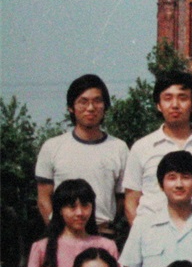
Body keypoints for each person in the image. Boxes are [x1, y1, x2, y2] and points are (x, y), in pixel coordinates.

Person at [35, 74, 129, 237]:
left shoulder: (119, 148)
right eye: (83, 102)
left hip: (104, 234)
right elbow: (44, 198)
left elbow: (123, 198)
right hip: (63, 235)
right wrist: (59, 233)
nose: (91, 108)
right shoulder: (52, 147)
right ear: (71, 107)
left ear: (105, 106)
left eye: (97, 101)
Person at [123, 71, 192, 223]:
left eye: (182, 98)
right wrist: (140, 233)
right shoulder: (142, 147)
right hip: (150, 231)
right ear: (158, 105)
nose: (175, 105)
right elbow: (131, 201)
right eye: (168, 98)